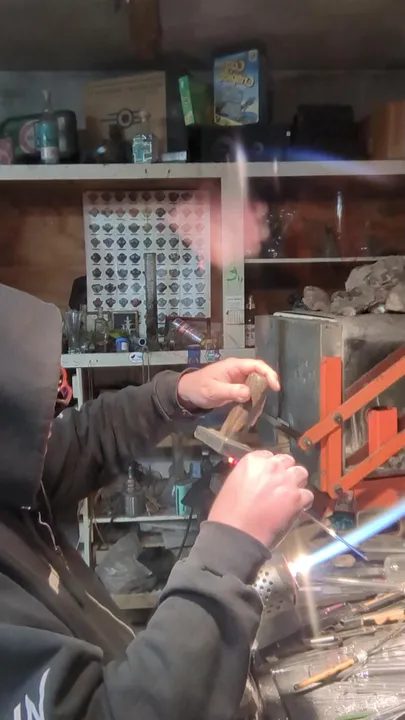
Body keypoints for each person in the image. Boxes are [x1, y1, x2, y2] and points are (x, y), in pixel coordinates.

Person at [0, 283, 313, 720]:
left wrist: (176, 395)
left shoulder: (12, 472)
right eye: (32, 405)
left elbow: (81, 440)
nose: (60, 403)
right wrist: (228, 546)